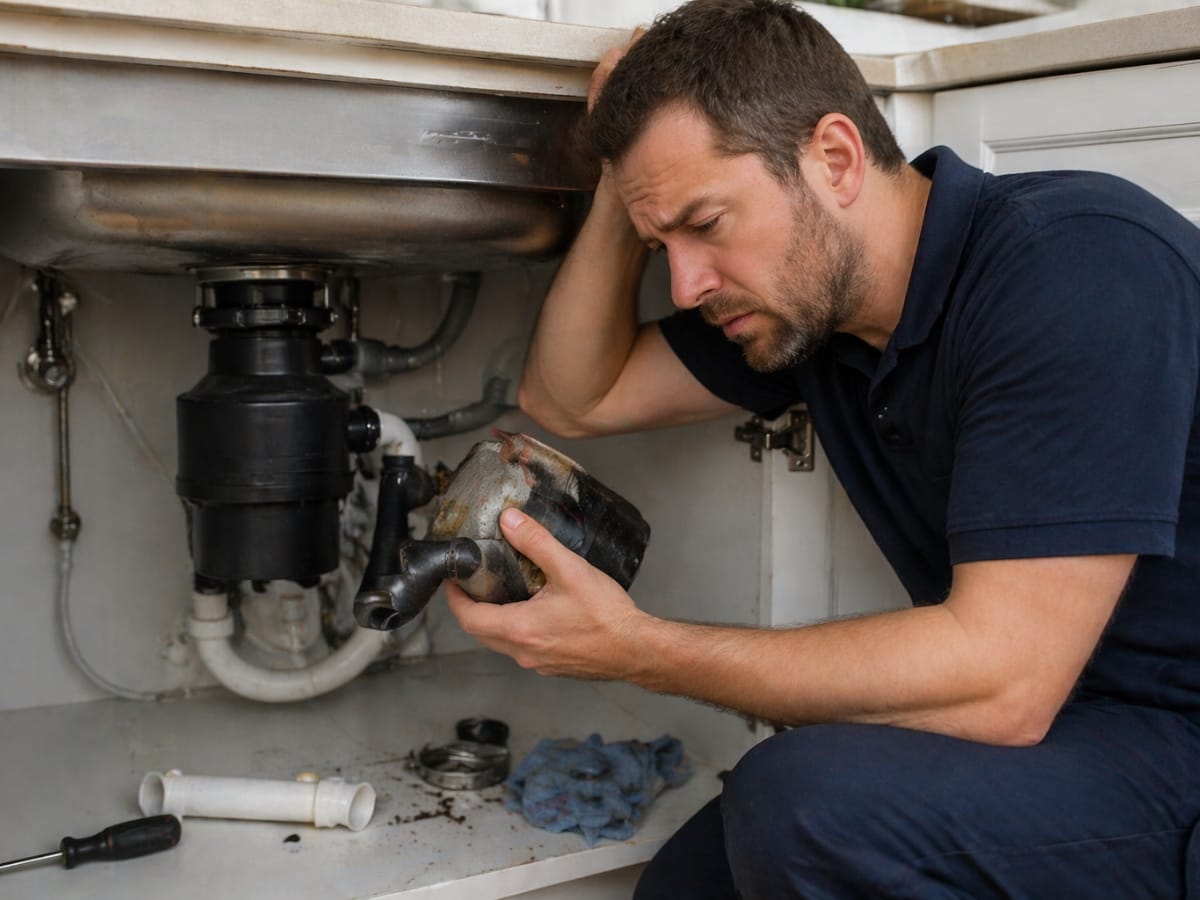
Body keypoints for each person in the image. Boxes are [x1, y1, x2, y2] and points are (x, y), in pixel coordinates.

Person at [446, 0, 1200, 895]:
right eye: (662, 245)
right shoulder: (821, 320)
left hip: (1174, 735)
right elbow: (573, 396)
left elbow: (1004, 683)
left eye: (706, 224)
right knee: (687, 886)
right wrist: (628, 179)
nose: (685, 286)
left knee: (799, 804)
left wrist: (637, 648)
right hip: (1070, 726)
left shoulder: (1073, 264)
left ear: (835, 159)